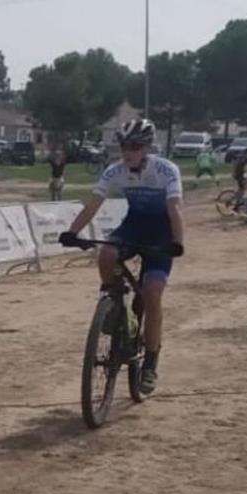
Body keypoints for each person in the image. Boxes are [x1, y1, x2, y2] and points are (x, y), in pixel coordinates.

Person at [60, 118, 184, 395]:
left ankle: (150, 363)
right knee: (106, 253)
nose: (128, 152)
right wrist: (73, 231)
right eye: (124, 146)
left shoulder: (166, 170)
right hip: (134, 225)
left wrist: (177, 243)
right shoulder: (115, 171)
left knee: (152, 293)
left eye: (135, 146)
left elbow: (175, 209)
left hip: (161, 232)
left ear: (147, 148)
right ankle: (114, 302)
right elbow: (94, 204)